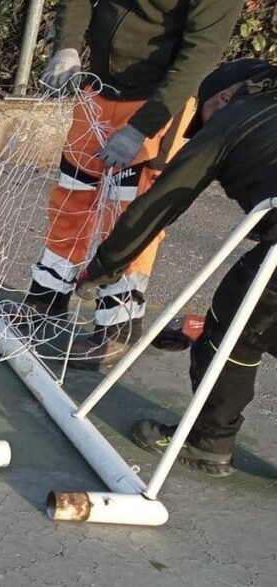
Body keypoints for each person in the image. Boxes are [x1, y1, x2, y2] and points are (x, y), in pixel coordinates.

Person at [75, 58, 277, 477]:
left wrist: (102, 267)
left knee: (234, 328)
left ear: (221, 97)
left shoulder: (232, 116)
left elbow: (161, 203)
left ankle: (208, 442)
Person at [31, 0, 244, 369]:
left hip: (158, 103)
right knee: (72, 194)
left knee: (131, 217)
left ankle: (117, 329)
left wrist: (140, 129)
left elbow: (199, 57)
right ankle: (46, 299)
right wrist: (66, 44)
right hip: (98, 91)